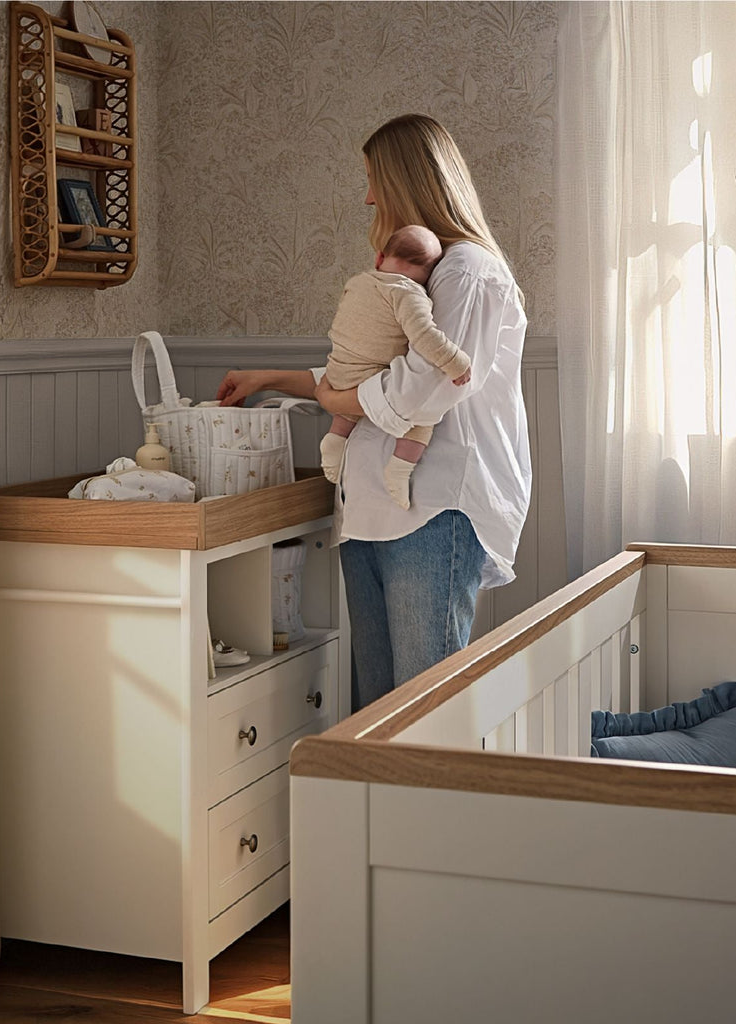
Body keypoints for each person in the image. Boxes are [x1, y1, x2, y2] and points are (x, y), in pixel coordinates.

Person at [216, 113, 531, 714]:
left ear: (406, 182)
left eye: (372, 180)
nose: (366, 197)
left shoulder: (468, 272)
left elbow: (425, 387)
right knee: (377, 712)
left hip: (432, 510)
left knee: (422, 713)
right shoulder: (414, 278)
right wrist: (269, 378)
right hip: (371, 512)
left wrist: (335, 401)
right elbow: (366, 370)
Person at [320, 222, 471, 510]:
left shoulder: (357, 282)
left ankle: (335, 438)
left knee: (351, 393)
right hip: (368, 378)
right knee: (425, 416)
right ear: (429, 274)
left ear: (379, 258)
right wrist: (456, 362)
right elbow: (425, 337)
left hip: (337, 370)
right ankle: (399, 471)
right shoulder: (408, 293)